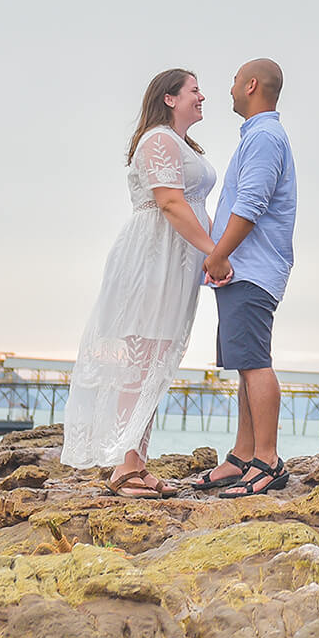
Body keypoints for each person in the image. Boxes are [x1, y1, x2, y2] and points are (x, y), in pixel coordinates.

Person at [60, 68, 216, 497]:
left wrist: (209, 249)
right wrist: (215, 251)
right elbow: (168, 201)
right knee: (139, 356)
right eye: (195, 90)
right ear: (169, 98)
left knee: (156, 359)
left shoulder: (182, 144)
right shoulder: (158, 140)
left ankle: (137, 462)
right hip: (152, 258)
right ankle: (122, 468)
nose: (203, 96)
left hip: (176, 260)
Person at [194, 58, 298, 497]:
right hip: (246, 270)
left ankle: (267, 460)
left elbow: (251, 205)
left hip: (250, 268)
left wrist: (218, 256)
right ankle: (242, 455)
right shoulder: (259, 136)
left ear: (252, 85)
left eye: (236, 81)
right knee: (244, 364)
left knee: (255, 363)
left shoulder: (264, 138)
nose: (231, 88)